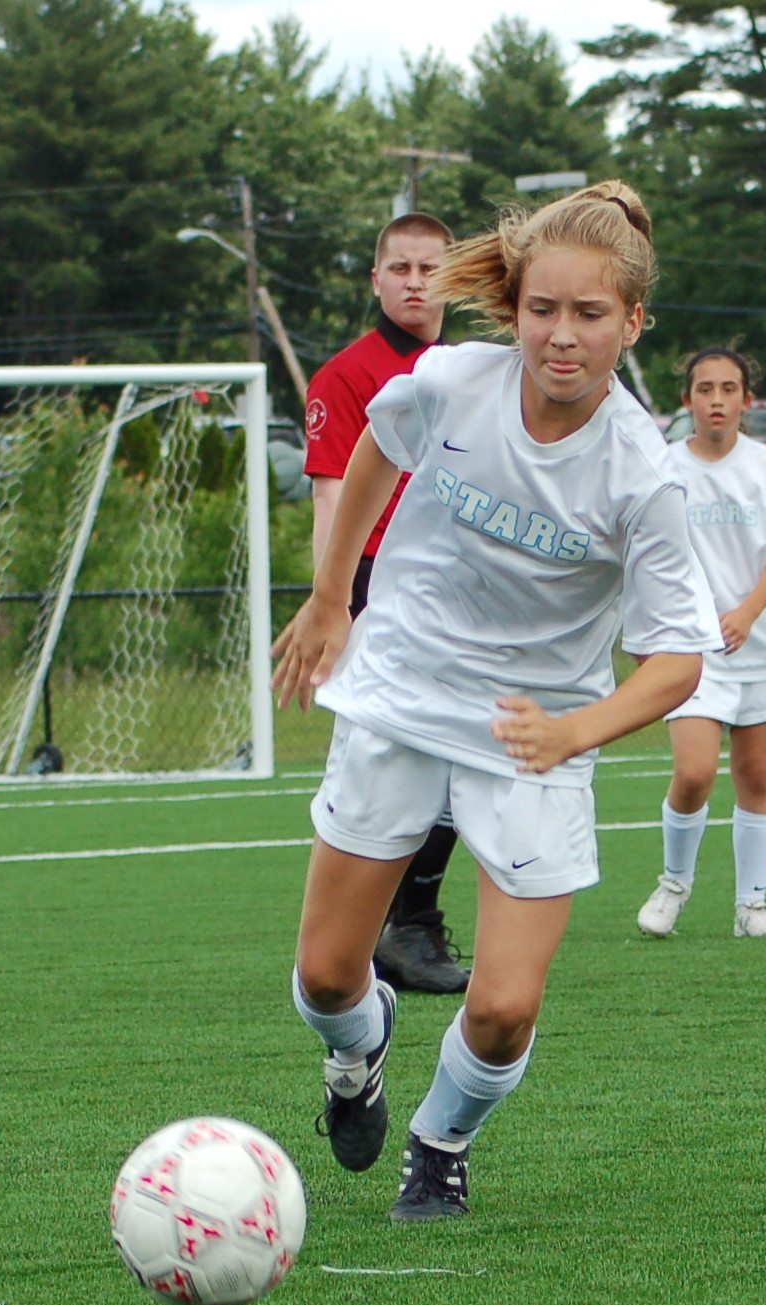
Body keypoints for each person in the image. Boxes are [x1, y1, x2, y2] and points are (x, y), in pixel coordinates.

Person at [273, 181, 716, 1220]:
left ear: (632, 324)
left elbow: (676, 662)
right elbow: (376, 445)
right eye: (541, 309)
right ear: (513, 309)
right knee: (329, 977)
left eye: (590, 314)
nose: (561, 335)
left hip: (532, 735)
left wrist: (574, 731)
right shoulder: (450, 382)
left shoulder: (643, 476)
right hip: (402, 690)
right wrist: (332, 598)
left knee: (506, 1006)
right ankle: (357, 1053)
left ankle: (440, 1142)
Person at [305, 210, 470, 994]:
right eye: (400, 268)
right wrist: (331, 605)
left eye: (429, 268)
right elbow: (331, 496)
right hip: (378, 583)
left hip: (460, 588)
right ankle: (364, 932)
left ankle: (409, 924)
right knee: (379, 762)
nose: (415, 283)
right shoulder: (346, 375)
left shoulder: (474, 372)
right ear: (376, 279)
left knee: (461, 757)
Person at [635, 345, 766, 940]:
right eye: (705, 389)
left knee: (756, 774)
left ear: (746, 400)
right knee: (693, 772)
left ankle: (751, 907)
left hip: (761, 645)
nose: (716, 400)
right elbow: (642, 553)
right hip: (690, 648)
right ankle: (673, 886)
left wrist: (746, 614)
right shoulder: (662, 467)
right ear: (686, 400)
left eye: (728, 389)